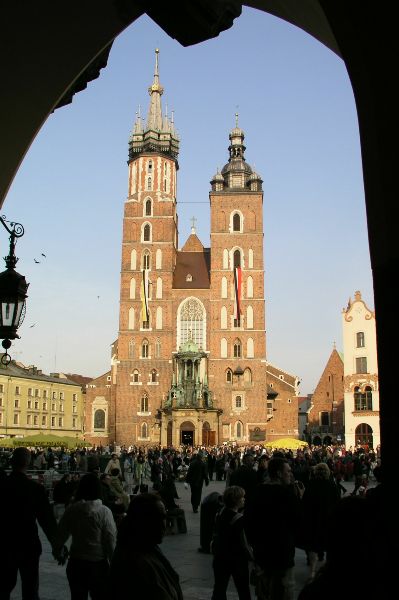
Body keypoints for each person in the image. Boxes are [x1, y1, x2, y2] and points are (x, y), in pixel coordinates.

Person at [0, 447, 58, 599]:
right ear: (28, 463)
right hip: (28, 545)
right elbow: (47, 521)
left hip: (5, 544)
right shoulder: (35, 489)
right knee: (30, 590)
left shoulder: (2, 486)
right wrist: (57, 546)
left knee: (3, 588)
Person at [245, 457, 303, 600]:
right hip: (282, 553)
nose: (290, 474)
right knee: (284, 589)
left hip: (261, 552)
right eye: (288, 471)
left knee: (263, 590)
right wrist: (299, 498)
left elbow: (248, 521)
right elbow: (298, 523)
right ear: (278, 473)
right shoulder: (288, 495)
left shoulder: (257, 492)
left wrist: (255, 545)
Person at [107, 492, 184, 599]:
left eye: (164, 517)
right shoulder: (133, 562)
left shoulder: (148, 547)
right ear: (142, 520)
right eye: (156, 518)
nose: (163, 525)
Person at [54, 472, 117, 600]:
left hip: (76, 563)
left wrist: (59, 551)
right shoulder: (104, 512)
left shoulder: (72, 510)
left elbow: (60, 534)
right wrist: (114, 565)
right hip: (98, 565)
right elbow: (110, 541)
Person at [211, 486, 253, 600]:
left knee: (219, 588)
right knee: (243, 589)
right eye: (242, 497)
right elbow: (244, 543)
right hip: (237, 559)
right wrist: (253, 558)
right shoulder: (239, 519)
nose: (244, 499)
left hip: (220, 557)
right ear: (236, 500)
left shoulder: (219, 513)